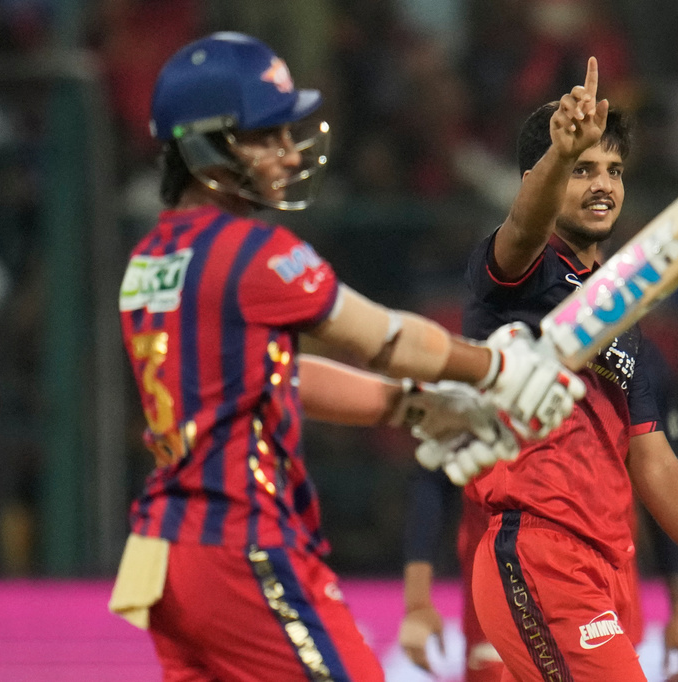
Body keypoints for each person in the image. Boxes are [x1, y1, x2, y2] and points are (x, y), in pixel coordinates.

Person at [106, 32, 587, 682]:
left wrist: (413, 406)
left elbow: (279, 379)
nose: (287, 152)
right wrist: (497, 369)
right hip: (241, 541)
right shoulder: (255, 254)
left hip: (167, 554)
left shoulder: (149, 260)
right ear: (205, 147)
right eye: (265, 136)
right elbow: (387, 340)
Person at [420, 57, 678, 681]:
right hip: (539, 553)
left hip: (604, 567)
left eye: (613, 171)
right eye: (583, 169)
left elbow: (654, 462)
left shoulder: (625, 323)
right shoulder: (516, 275)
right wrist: (559, 153)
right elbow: (523, 225)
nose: (604, 185)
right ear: (539, 177)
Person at [396, 341, 678, 682]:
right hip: (514, 570)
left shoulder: (639, 358)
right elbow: (433, 476)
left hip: (608, 574)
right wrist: (417, 601)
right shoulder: (490, 344)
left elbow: (658, 478)